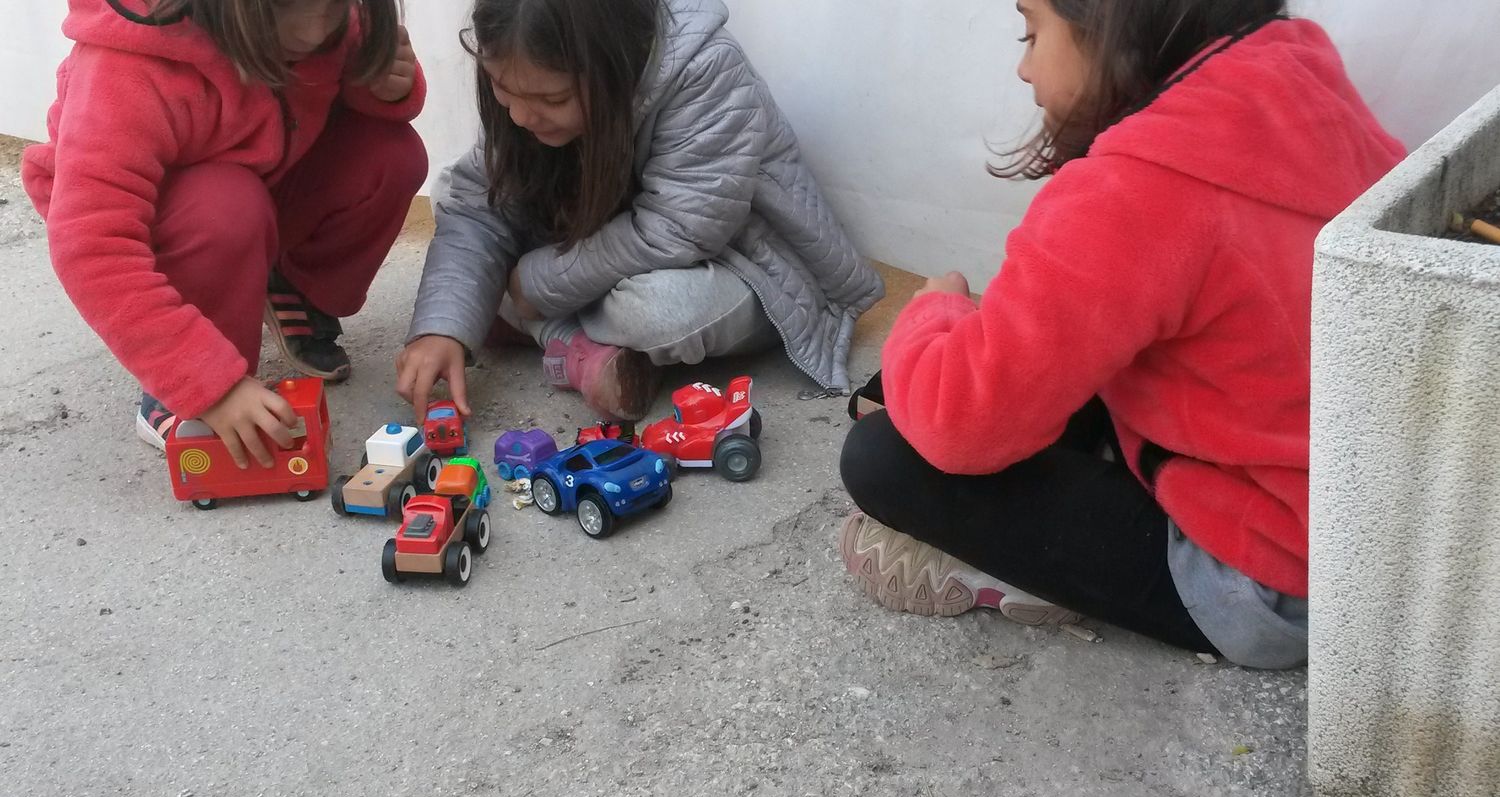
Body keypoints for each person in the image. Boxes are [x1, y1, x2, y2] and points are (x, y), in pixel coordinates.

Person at [837, 0, 1404, 668]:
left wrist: (932, 311)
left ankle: (1025, 573)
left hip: (1273, 582)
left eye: (1031, 31)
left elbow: (955, 421)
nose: (1022, 68)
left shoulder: (1137, 184)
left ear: (1105, 27)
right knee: (1024, 368)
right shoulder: (1291, 71)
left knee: (884, 456)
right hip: (1368, 527)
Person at [396, 0, 883, 424]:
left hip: (737, 266)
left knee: (651, 311)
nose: (521, 117)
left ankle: (547, 329)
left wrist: (535, 285)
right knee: (454, 215)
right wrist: (441, 329)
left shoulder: (706, 69)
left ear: (612, 64)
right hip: (603, 256)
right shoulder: (526, 94)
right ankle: (580, 346)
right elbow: (477, 207)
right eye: (503, 88)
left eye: (552, 99)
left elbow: (679, 232)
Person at [23, 0, 428, 470]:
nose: (317, 29)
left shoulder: (323, 15)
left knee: (391, 156)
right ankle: (171, 397)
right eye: (283, 10)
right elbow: (92, 246)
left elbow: (354, 95)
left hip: (264, 184)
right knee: (226, 206)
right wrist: (206, 383)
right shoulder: (127, 66)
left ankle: (288, 287)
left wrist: (388, 85)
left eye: (336, 7)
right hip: (181, 223)